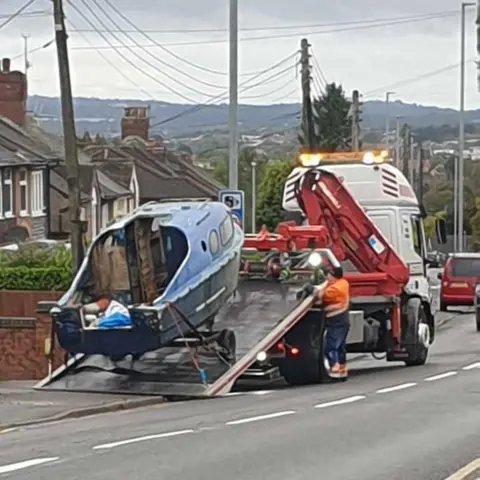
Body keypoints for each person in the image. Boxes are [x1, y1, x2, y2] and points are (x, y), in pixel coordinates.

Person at [316, 265, 350, 379]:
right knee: (340, 346)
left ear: (334, 276)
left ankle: (335, 368)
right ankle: (342, 369)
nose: (327, 277)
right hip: (342, 319)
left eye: (329, 275)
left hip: (336, 320)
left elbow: (321, 296)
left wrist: (317, 289)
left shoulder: (335, 289)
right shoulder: (343, 283)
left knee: (330, 346)